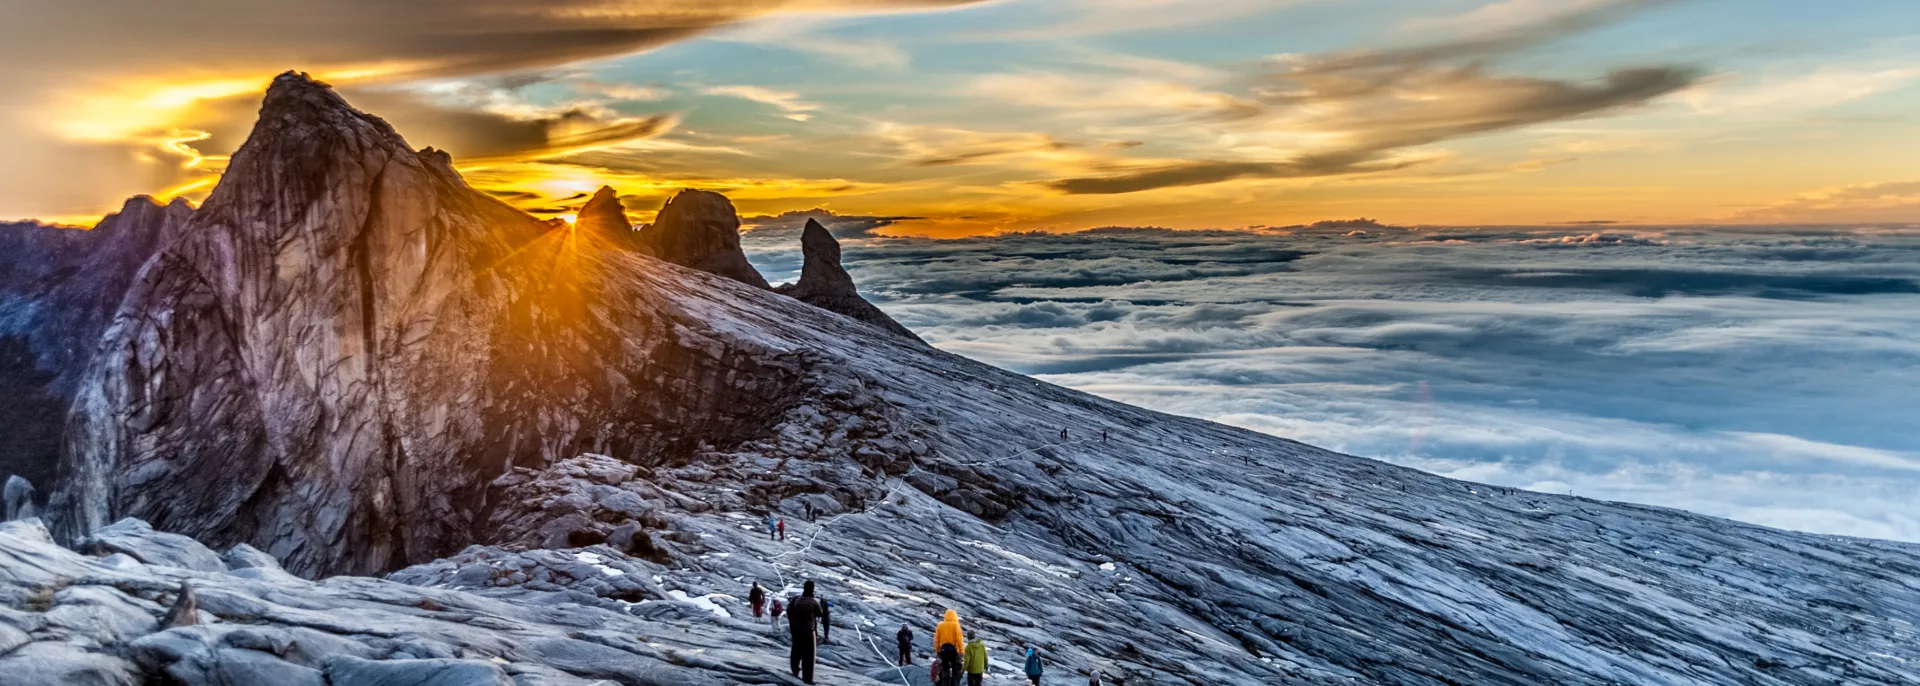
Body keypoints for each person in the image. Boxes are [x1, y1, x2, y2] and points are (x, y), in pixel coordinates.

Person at [786, 580, 824, 684]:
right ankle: (807, 679)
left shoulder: (796, 599)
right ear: (812, 589)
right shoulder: (813, 602)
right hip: (808, 631)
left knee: (795, 649)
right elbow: (820, 613)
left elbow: (789, 611)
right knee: (809, 656)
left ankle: (795, 669)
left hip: (795, 629)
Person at [934, 609, 964, 686]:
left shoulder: (940, 625)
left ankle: (945, 683)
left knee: (945, 668)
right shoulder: (956, 625)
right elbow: (959, 640)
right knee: (956, 669)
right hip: (953, 650)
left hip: (943, 650)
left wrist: (938, 650)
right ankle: (955, 684)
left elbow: (936, 639)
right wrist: (961, 652)